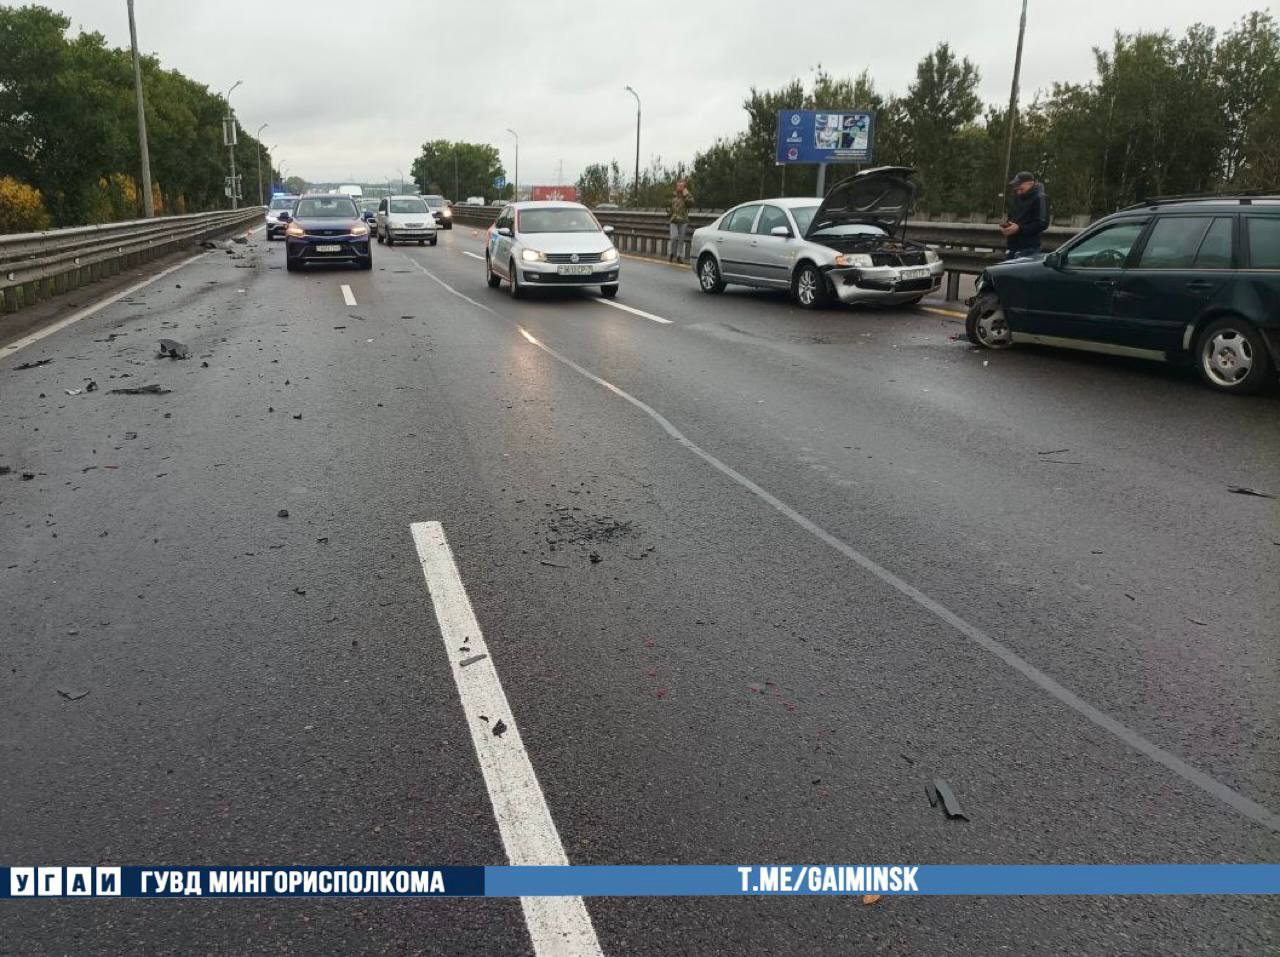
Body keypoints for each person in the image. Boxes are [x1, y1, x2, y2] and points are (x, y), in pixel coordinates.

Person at [1000, 171, 1049, 259]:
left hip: (1028, 248)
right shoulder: (1017, 198)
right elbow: (1012, 217)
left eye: (1020, 187)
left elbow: (1042, 223)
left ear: (1030, 184)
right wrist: (1007, 226)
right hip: (1012, 246)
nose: (1018, 190)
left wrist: (1019, 228)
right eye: (1016, 187)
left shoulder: (1040, 198)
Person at [668, 179, 694, 263]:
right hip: (674, 220)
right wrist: (669, 212)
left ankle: (679, 256)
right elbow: (669, 206)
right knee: (674, 237)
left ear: (684, 187)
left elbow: (691, 204)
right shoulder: (673, 196)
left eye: (681, 186)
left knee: (681, 239)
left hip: (683, 220)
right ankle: (672, 253)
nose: (679, 187)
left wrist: (686, 195)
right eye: (678, 186)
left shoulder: (687, 195)